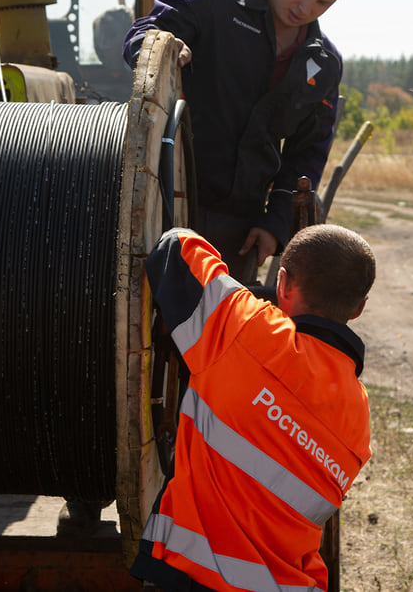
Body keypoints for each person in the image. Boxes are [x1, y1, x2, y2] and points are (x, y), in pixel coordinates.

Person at [129, 224, 374, 592]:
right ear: (358, 308)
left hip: (193, 576)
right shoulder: (360, 415)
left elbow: (175, 247)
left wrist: (251, 296)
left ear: (285, 283)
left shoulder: (244, 327)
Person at [122, 0, 360, 283]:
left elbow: (307, 153)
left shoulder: (323, 63)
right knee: (148, 322)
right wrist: (164, 49)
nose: (305, 8)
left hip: (241, 229)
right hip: (166, 202)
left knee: (222, 332)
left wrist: (276, 223)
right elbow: (145, 34)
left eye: (322, 3)